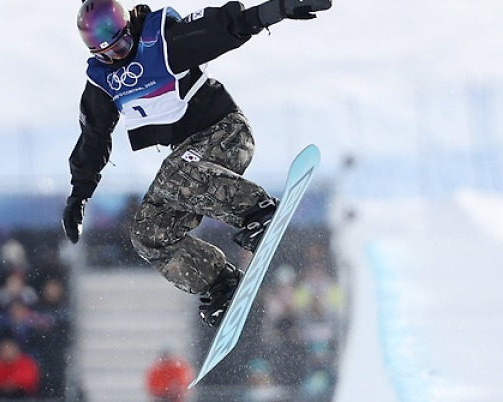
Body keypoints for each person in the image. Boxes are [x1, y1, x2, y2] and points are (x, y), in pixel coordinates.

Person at [61, 0, 332, 326]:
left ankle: (258, 211)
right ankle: (219, 282)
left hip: (227, 134)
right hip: (191, 161)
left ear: (129, 28)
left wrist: (278, 9)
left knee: (174, 171)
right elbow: (94, 137)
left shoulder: (162, 44)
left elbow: (225, 27)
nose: (119, 56)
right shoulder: (104, 82)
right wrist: (79, 194)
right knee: (148, 233)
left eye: (122, 44)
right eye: (108, 53)